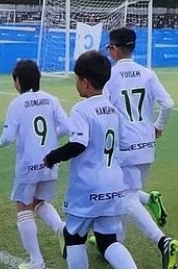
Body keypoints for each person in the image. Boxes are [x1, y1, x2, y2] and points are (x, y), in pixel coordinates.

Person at [42, 50, 136, 269]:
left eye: (76, 79)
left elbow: (78, 144)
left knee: (74, 237)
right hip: (113, 183)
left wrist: (52, 157)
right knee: (107, 240)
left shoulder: (81, 109)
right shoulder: (113, 109)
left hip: (87, 186)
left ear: (84, 82)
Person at [105, 27, 178, 267]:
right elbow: (168, 103)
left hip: (123, 144)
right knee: (127, 193)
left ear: (115, 49)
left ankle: (162, 241)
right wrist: (158, 125)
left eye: (109, 48)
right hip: (146, 143)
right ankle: (117, 241)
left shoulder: (110, 75)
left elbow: (104, 111)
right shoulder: (147, 73)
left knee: (125, 197)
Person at [0, 58, 70, 268]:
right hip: (50, 163)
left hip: (28, 165)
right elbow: (66, 126)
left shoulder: (17, 103)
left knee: (23, 207)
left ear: (18, 81)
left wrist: (0, 141)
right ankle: (61, 229)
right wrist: (52, 138)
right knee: (39, 202)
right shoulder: (51, 99)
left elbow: (8, 137)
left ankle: (36, 261)